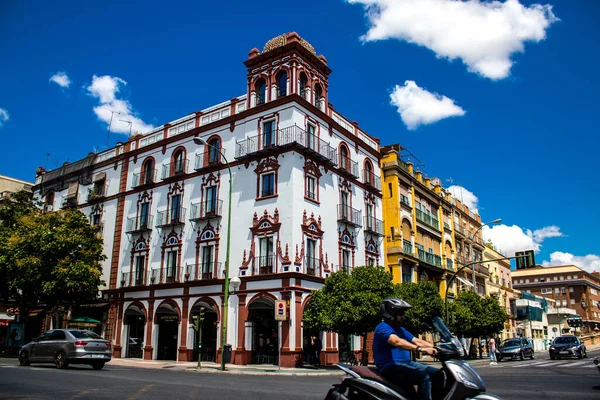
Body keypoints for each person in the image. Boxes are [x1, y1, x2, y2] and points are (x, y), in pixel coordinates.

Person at [373, 298, 439, 400]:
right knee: (423, 377)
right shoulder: (382, 327)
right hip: (389, 366)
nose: (403, 316)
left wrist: (435, 347)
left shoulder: (400, 329)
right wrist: (420, 349)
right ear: (390, 313)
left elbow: (416, 340)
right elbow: (396, 341)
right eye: (400, 313)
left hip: (407, 363)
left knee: (438, 374)